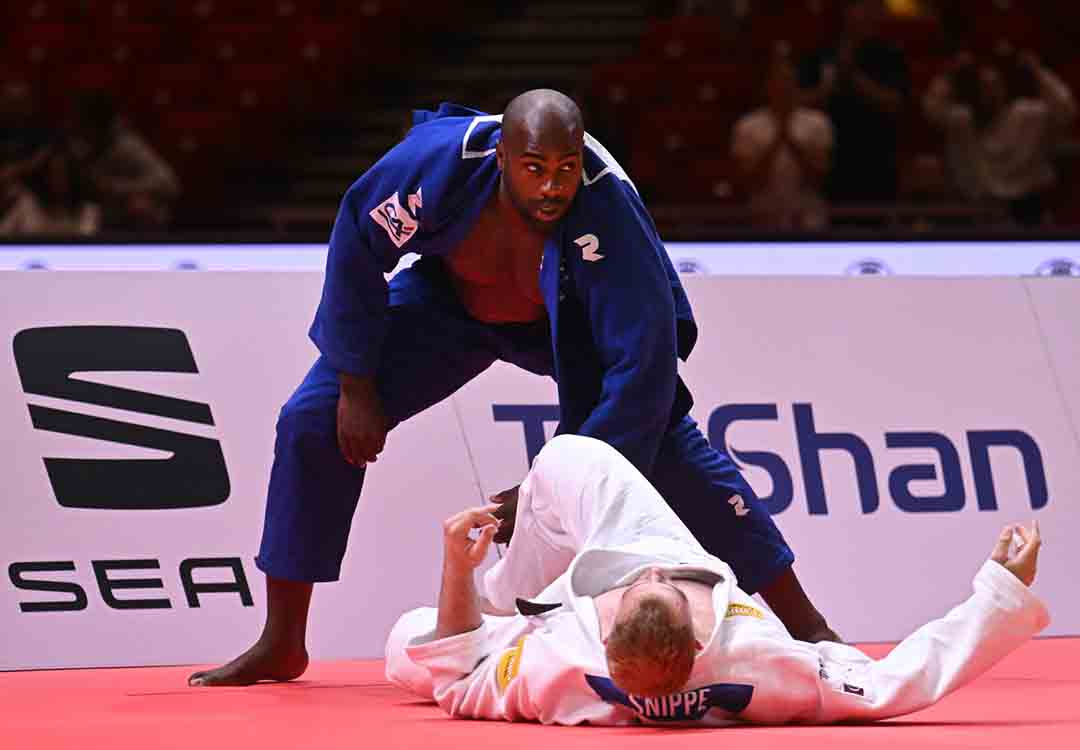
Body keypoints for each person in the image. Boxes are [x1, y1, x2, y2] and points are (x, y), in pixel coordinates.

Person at [189, 89, 836, 687]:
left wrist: (540, 493)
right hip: (445, 307)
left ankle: (806, 623)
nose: (552, 185)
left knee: (664, 433)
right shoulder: (435, 165)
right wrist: (356, 383)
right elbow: (358, 238)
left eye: (565, 167)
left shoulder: (609, 205)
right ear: (502, 156)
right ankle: (282, 638)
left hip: (564, 324)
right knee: (312, 418)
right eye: (533, 168)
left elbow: (642, 370)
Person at [385, 434, 1049, 725]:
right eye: (654, 586)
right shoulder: (763, 661)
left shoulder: (561, 664)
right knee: (568, 456)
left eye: (633, 590)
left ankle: (501, 599)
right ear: (691, 618)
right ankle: (502, 598)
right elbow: (898, 683)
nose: (646, 579)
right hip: (657, 554)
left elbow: (457, 677)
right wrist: (999, 589)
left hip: (559, 605)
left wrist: (459, 575)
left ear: (607, 628)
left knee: (406, 641)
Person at [924, 49, 1076, 226]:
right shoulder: (963, 120)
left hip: (1026, 208)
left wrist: (1038, 72)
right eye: (983, 87)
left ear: (1004, 90)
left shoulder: (1028, 114)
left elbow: (1066, 109)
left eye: (994, 86)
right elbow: (931, 109)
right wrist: (949, 74)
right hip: (976, 209)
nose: (988, 93)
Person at [799, 0, 910, 206]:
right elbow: (798, 102)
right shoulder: (822, 52)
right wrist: (825, 90)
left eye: (872, 9)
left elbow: (896, 102)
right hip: (833, 161)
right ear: (847, 11)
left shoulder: (888, 54)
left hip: (877, 160)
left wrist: (853, 77)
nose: (867, 14)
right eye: (861, 7)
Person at [732, 47, 833, 229]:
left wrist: (789, 135)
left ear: (796, 86)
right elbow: (748, 180)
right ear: (767, 86)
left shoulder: (817, 123)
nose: (783, 88)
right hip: (762, 219)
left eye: (787, 82)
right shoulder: (748, 125)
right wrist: (779, 134)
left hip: (808, 218)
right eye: (778, 82)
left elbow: (819, 177)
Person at [66, 90, 180, 229]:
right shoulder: (77, 147)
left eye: (83, 122)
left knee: (140, 205)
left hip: (128, 224)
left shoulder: (127, 146)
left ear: (96, 124)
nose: (78, 127)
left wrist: (119, 188)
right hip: (95, 221)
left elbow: (168, 182)